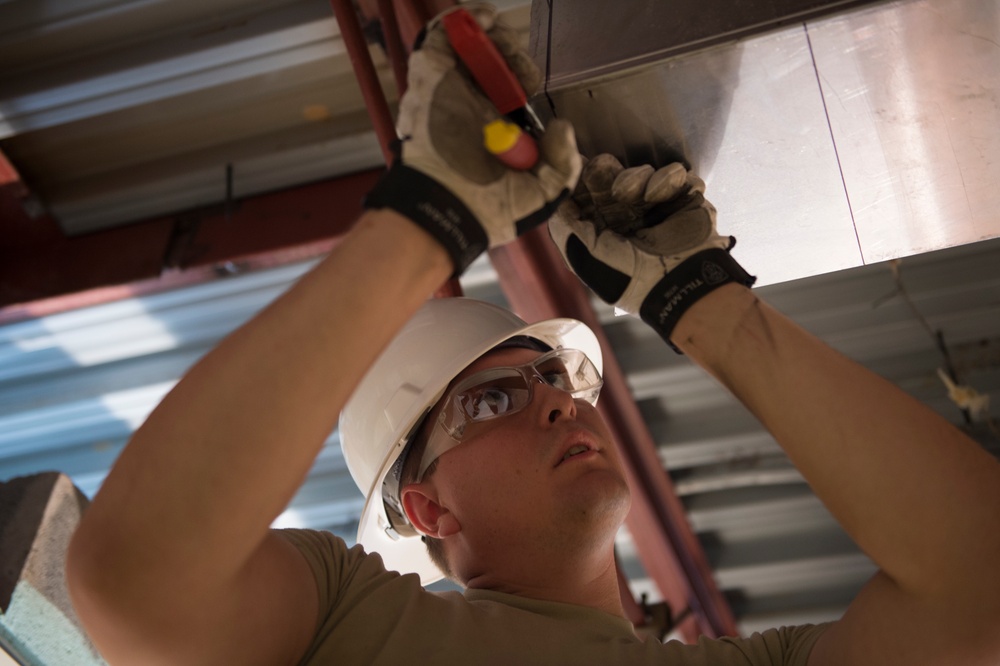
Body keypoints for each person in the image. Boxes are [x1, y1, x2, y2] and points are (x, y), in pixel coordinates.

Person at [65, 5, 1000, 665]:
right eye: (498, 398)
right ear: (428, 512)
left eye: (554, 377)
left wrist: (704, 301)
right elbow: (136, 578)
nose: (558, 398)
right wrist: (429, 216)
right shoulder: (344, 625)